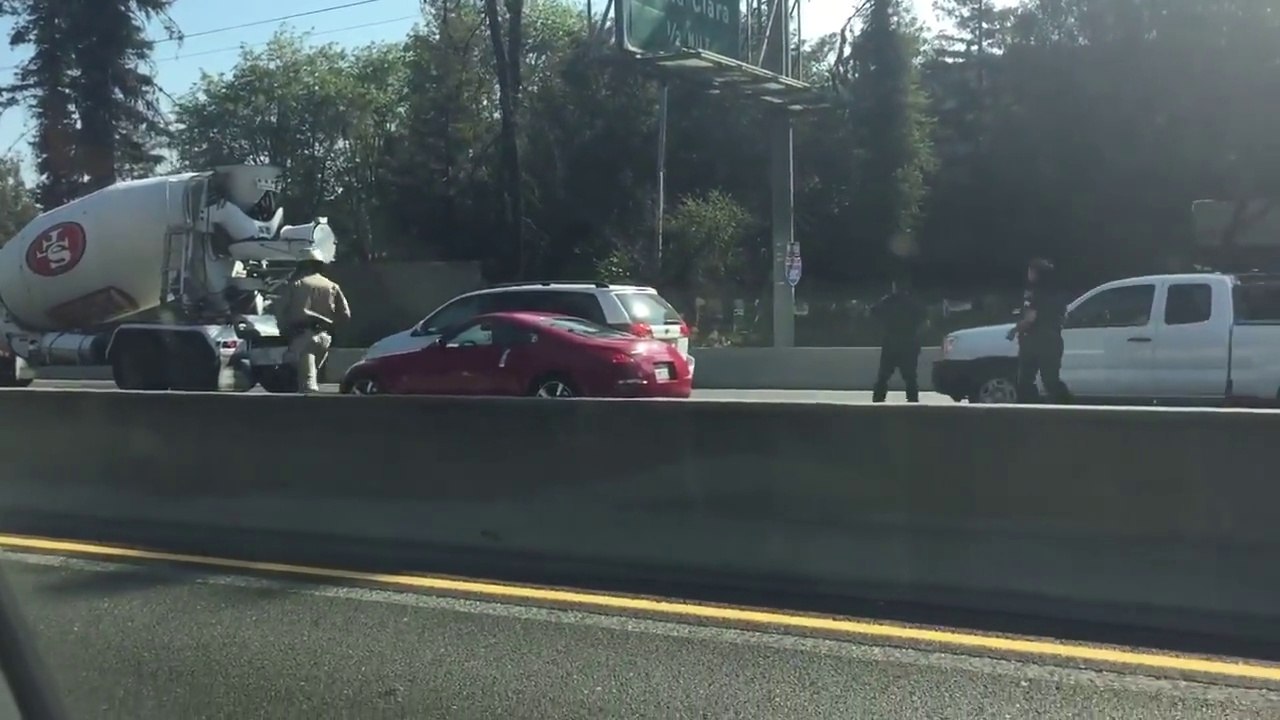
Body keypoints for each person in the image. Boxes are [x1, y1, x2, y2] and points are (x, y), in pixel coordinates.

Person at [272, 248, 352, 393]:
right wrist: (332, 326)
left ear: (303, 265)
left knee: (307, 383)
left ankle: (307, 411)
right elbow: (345, 314)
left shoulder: (296, 284)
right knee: (311, 374)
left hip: (302, 336)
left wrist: (283, 329)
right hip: (325, 337)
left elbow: (279, 309)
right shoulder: (332, 286)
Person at [1006, 258, 1072, 403]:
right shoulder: (1057, 293)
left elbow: (1030, 318)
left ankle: (1030, 410)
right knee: (1051, 380)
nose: (1028, 274)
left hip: (1035, 341)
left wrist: (1014, 330)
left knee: (1025, 381)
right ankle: (1068, 407)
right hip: (1053, 339)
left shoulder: (1035, 293)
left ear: (1037, 273)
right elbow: (1063, 316)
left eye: (1031, 271)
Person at [871, 276, 926, 403]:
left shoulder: (888, 301)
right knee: (910, 376)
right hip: (909, 342)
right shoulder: (913, 302)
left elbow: (874, 312)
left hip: (891, 342)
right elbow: (924, 320)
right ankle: (912, 401)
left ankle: (878, 399)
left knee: (884, 375)